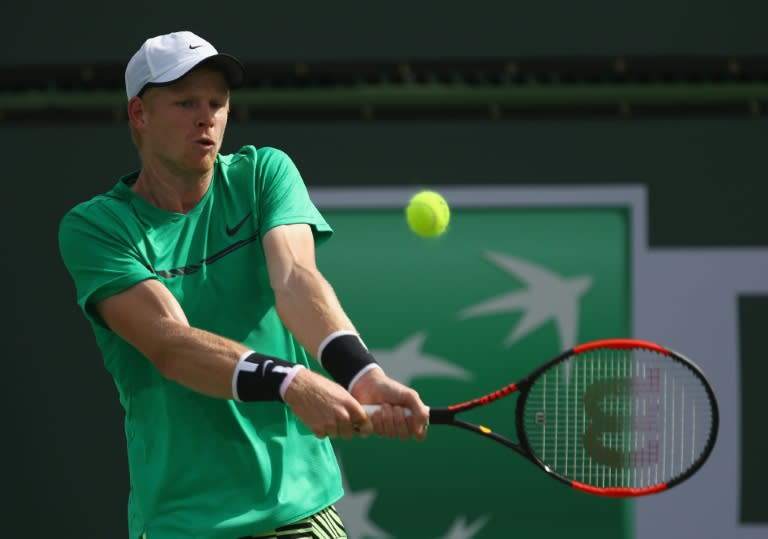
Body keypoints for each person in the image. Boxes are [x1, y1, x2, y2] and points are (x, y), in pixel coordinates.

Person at [58, 30, 429, 539]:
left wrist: (361, 375)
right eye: (185, 101)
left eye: (217, 101)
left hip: (299, 511)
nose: (206, 116)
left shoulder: (263, 175)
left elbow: (296, 279)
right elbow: (171, 345)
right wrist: (291, 382)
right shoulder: (96, 228)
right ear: (139, 115)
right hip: (182, 524)